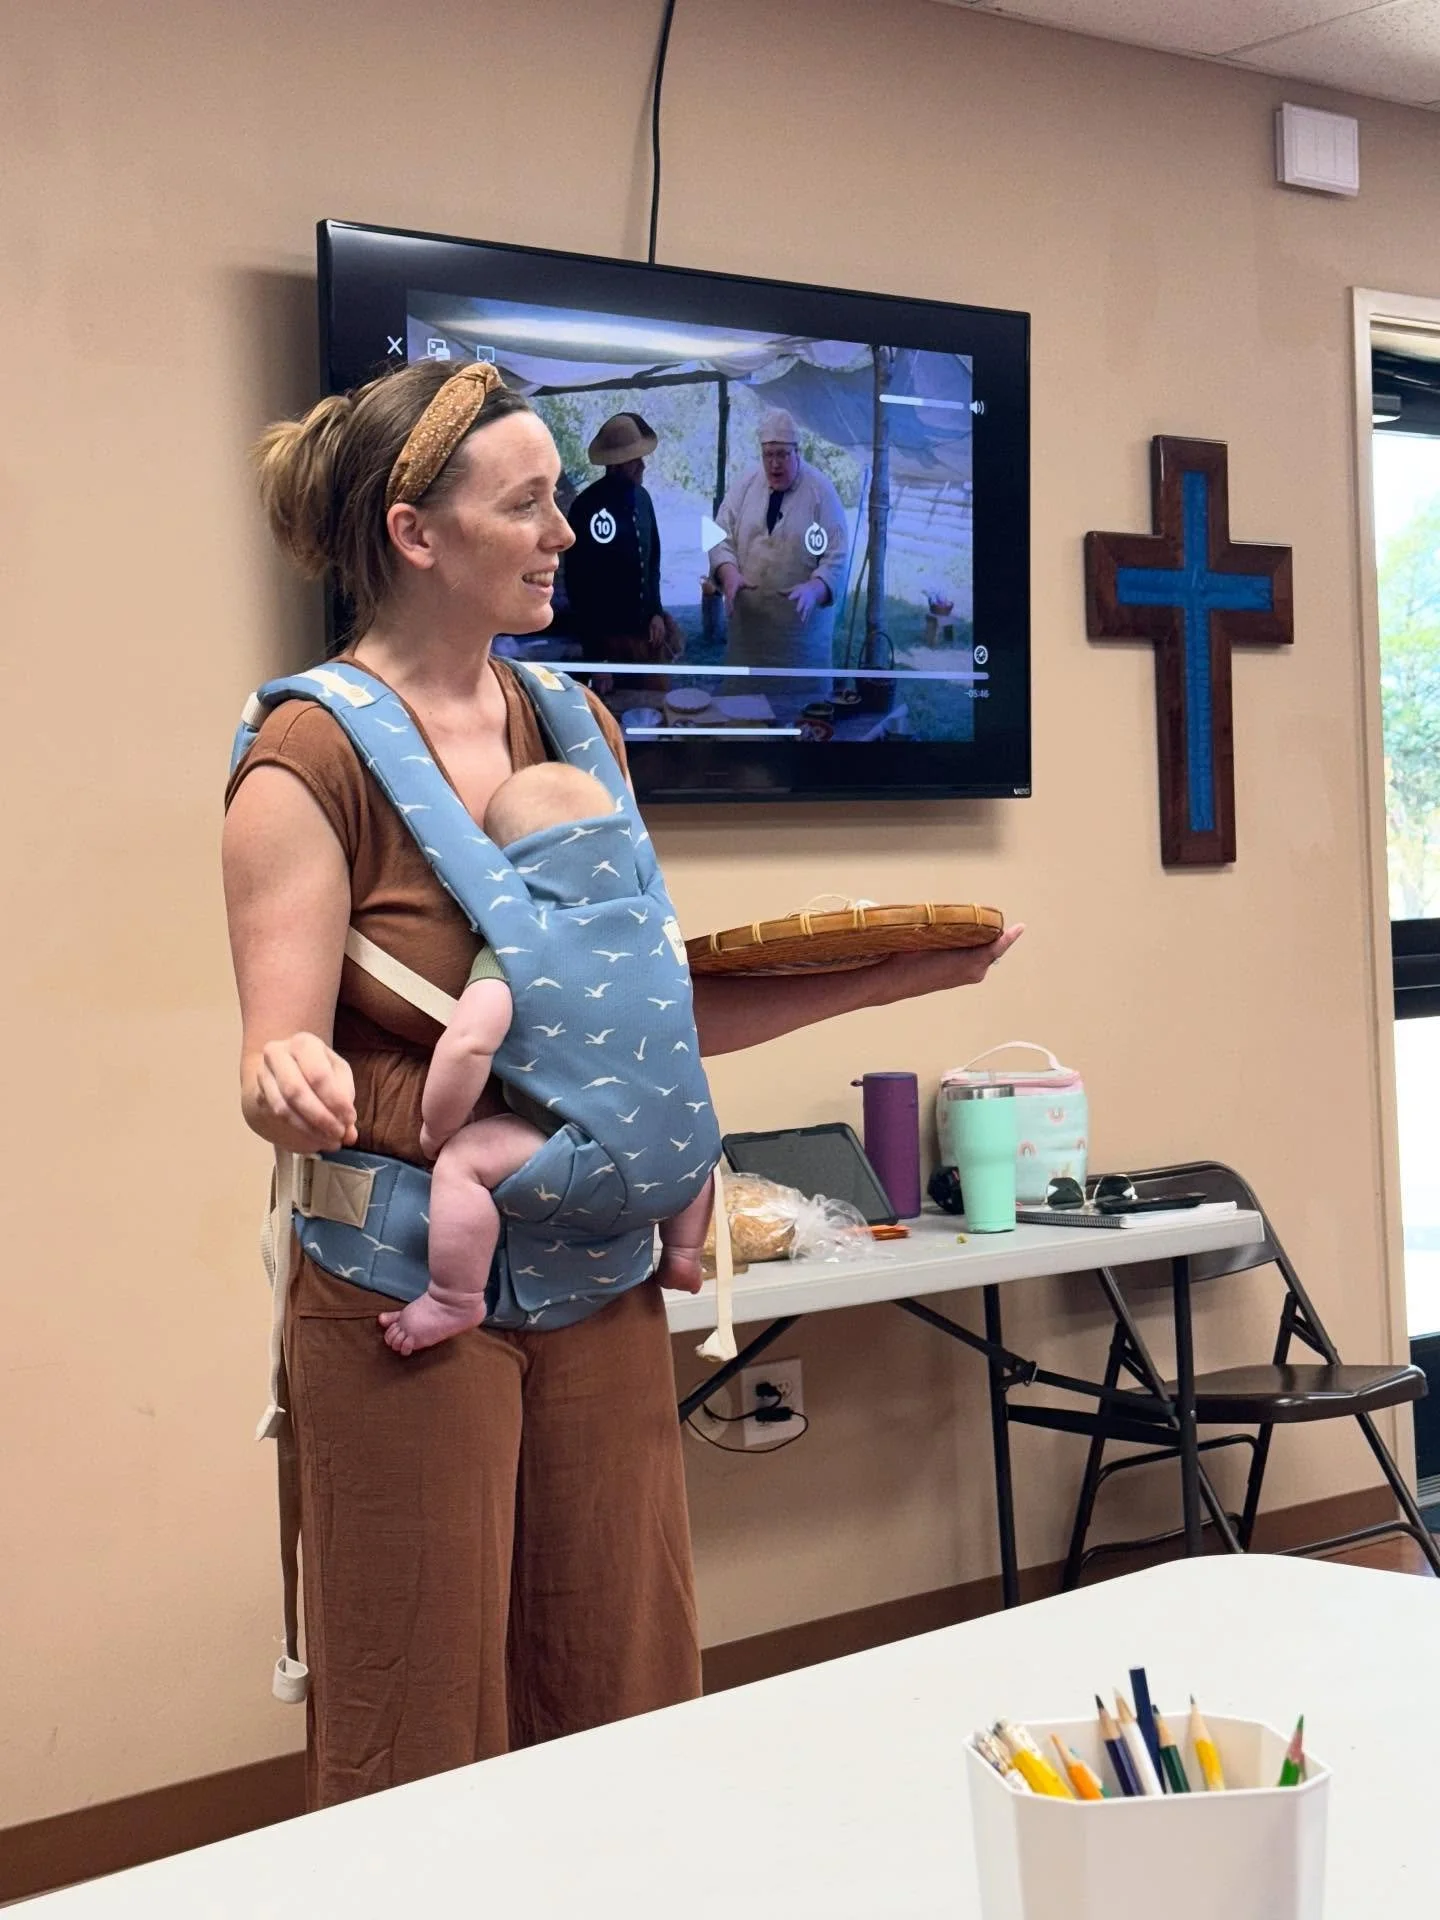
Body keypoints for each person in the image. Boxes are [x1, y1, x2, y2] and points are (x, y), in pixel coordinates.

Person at [223, 356, 1022, 1809]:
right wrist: (284, 1069)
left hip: (592, 1276)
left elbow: (633, 1029)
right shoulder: (306, 758)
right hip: (409, 1292)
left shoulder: (577, 730)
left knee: (625, 1692)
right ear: (416, 533)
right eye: (529, 504)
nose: (566, 533)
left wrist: (894, 982)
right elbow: (283, 1062)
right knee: (420, 1727)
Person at [381, 760, 714, 1358]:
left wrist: (437, 1125)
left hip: (592, 1163)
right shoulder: (657, 926)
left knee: (464, 1164)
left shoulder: (522, 941)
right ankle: (685, 1255)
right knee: (690, 1127)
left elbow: (469, 1043)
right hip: (684, 1163)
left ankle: (454, 1298)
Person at [708, 407, 850, 676]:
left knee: (803, 716)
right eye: (768, 455)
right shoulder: (745, 484)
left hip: (801, 647)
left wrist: (814, 589)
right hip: (748, 644)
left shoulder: (822, 492)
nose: (775, 464)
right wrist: (728, 574)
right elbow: (717, 535)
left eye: (783, 454)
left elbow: (837, 557)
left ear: (798, 453)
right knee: (743, 713)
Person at [563, 410, 681, 669]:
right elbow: (580, 587)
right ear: (615, 464)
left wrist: (656, 613)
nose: (642, 465)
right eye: (634, 460)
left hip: (646, 636)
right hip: (608, 642)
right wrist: (598, 659)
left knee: (655, 705)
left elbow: (652, 564)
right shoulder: (587, 507)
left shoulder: (643, 499)